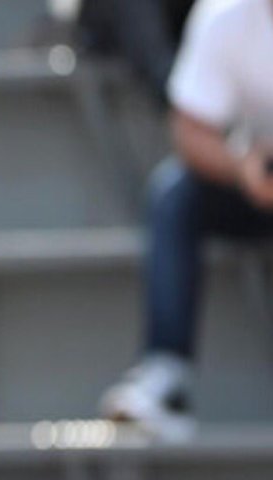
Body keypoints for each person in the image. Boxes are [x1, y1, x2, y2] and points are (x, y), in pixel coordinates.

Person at [100, 0, 273, 439]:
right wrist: (243, 169)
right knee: (174, 196)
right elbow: (191, 131)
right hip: (252, 187)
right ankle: (165, 378)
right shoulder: (224, 16)